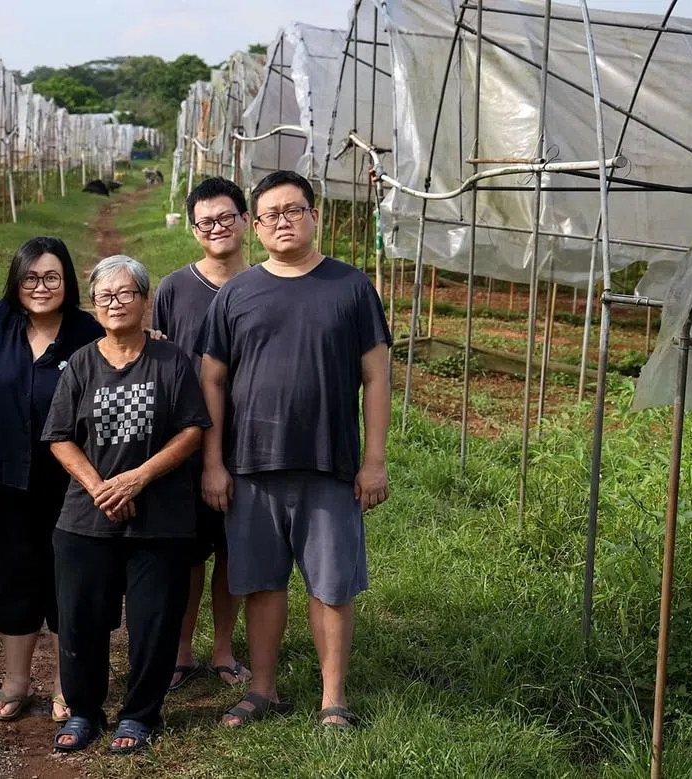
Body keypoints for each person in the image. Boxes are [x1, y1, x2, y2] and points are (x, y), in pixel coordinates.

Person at [199, 170, 392, 730]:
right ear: (254, 226)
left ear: (315, 215)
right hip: (251, 463)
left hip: (330, 462)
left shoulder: (352, 288)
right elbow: (212, 380)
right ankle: (262, 689)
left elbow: (376, 376)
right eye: (270, 214)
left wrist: (374, 459)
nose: (283, 221)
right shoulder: (237, 294)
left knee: (332, 585)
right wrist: (212, 462)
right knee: (261, 582)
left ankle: (333, 700)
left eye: (293, 210)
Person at [43, 255, 211, 755]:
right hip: (85, 514)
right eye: (104, 296)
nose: (115, 304)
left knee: (154, 620)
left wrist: (137, 479)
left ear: (145, 300)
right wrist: (100, 487)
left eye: (125, 294)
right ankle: (85, 710)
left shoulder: (171, 360)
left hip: (160, 517)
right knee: (80, 618)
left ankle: (140, 714)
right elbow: (58, 436)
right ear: (94, 307)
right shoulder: (81, 363)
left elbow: (192, 430)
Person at [0, 237, 104, 723]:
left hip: (73, 482)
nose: (41, 287)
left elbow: (133, 347)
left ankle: (67, 682)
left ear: (67, 282)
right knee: (10, 577)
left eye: (52, 278)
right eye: (31, 278)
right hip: (0, 479)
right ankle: (16, 680)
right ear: (15, 281)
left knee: (71, 580)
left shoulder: (89, 330)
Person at [153, 176, 252, 692]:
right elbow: (162, 358)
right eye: (205, 222)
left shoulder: (265, 282)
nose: (217, 228)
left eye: (225, 218)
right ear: (194, 231)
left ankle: (223, 650)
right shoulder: (175, 288)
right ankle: (182, 650)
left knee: (234, 549)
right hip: (187, 440)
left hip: (248, 438)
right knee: (188, 551)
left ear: (245, 220)